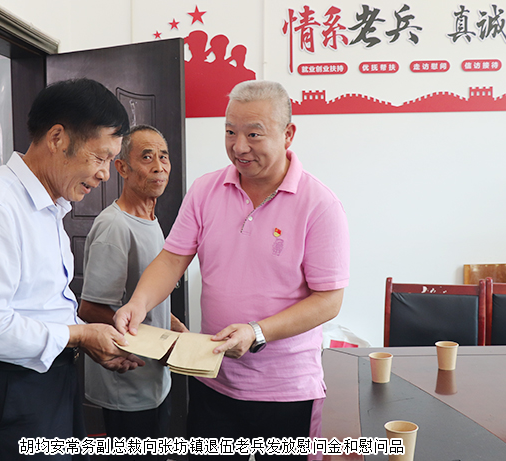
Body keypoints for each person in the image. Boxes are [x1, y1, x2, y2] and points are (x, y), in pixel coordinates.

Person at [114, 80, 350, 460]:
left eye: (253, 134)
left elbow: (328, 300)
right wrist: (137, 304)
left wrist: (257, 332)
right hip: (212, 379)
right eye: (230, 132)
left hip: (287, 391)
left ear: (288, 134)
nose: (239, 147)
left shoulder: (319, 205)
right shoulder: (205, 190)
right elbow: (172, 259)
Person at [0, 78, 144, 461]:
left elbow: (41, 305)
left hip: (47, 380)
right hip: (10, 391)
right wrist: (80, 334)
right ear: (57, 138)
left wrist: (86, 340)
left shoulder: (49, 205)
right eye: (100, 157)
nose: (106, 173)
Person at [79, 125, 187, 458]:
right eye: (147, 157)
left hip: (155, 380)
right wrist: (157, 343)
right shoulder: (115, 226)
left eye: (163, 157)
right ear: (122, 167)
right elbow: (91, 309)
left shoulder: (150, 218)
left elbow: (142, 297)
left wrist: (174, 326)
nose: (159, 166)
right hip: (127, 384)